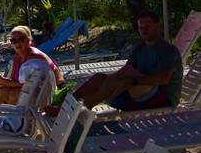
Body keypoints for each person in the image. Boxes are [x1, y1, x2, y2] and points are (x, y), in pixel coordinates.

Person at [45, 11, 182, 115]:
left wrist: (132, 82)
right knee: (99, 78)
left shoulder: (168, 50)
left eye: (148, 27)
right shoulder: (140, 48)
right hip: (139, 93)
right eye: (141, 28)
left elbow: (164, 79)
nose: (144, 31)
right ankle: (64, 109)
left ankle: (87, 107)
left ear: (158, 27)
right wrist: (116, 83)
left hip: (162, 99)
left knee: (127, 72)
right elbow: (124, 74)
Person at [0, 25, 65, 105]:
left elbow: (59, 80)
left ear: (28, 40)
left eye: (21, 40)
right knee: (2, 91)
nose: (17, 43)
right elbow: (13, 80)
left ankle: (16, 116)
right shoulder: (17, 56)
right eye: (14, 41)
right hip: (31, 88)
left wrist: (2, 80)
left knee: (15, 94)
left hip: (50, 90)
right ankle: (4, 116)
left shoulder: (34, 56)